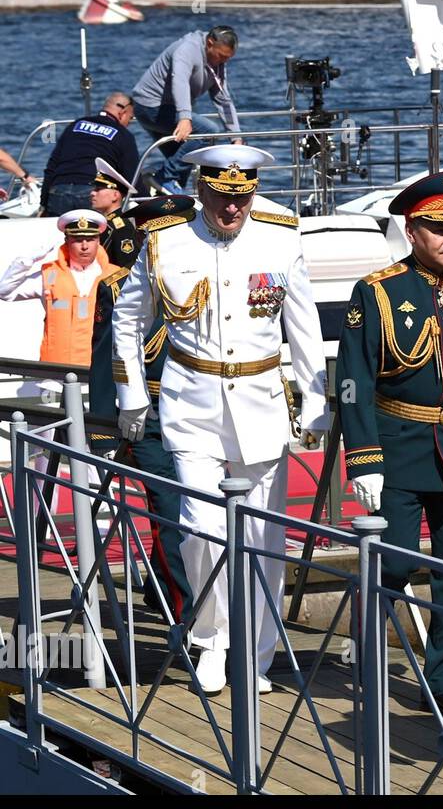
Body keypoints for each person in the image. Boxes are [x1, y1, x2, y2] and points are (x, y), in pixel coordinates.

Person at [113, 144, 328, 695]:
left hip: (260, 402)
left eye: (242, 197)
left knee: (263, 535)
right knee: (201, 527)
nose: (232, 209)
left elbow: (302, 325)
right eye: (221, 197)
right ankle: (210, 640)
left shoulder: (281, 236)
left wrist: (316, 398)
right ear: (200, 188)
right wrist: (132, 393)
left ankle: (254, 654)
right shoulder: (165, 239)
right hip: (192, 403)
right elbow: (128, 318)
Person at [335, 171, 443, 723]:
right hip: (398, 452)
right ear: (413, 231)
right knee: (392, 566)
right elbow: (354, 381)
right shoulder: (378, 292)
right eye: (439, 228)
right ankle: (366, 653)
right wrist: (363, 458)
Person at [89, 195, 196, 623]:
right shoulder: (116, 288)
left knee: (195, 509)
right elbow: (102, 364)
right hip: (145, 417)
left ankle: (158, 585)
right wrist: (102, 433)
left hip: (197, 411)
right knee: (172, 511)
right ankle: (187, 614)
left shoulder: (200, 277)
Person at [131, 26, 241, 194]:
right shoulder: (187, 49)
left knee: (184, 160)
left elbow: (222, 99)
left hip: (169, 109)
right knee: (208, 131)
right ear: (210, 43)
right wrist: (184, 118)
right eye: (221, 56)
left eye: (228, 58)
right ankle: (163, 177)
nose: (223, 61)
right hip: (150, 107)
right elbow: (180, 81)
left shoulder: (217, 62)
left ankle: (169, 198)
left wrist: (236, 137)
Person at [0, 209, 110, 368]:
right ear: (66, 241)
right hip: (55, 372)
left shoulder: (114, 276)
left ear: (98, 241)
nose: (85, 246)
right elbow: (5, 292)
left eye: (90, 239)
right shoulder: (49, 275)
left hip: (100, 371)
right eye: (78, 240)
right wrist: (27, 260)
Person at [40, 92, 138, 217]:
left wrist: (44, 203)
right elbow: (132, 177)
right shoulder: (123, 135)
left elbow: (51, 167)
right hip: (91, 193)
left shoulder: (75, 125)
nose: (128, 123)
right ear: (122, 112)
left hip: (59, 191)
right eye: (130, 118)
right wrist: (149, 204)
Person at [89, 158, 139, 267]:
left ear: (115, 195)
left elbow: (126, 268)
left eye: (98, 189)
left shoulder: (122, 228)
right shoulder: (105, 224)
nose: (92, 193)